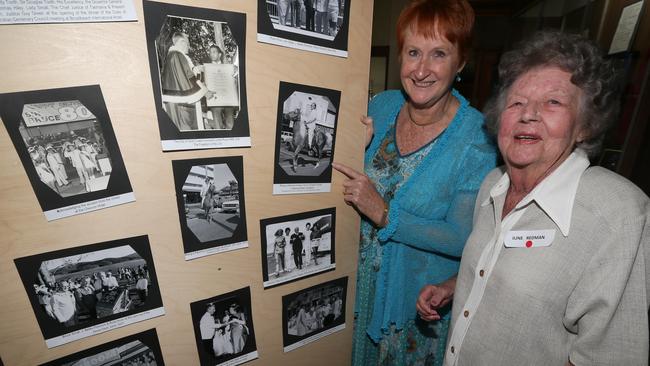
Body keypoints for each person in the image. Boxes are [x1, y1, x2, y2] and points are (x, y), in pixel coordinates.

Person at [418, 30, 650, 366]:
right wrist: (453, 286)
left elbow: (613, 355)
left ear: (585, 125)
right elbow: (504, 268)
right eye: (516, 102)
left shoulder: (619, 214)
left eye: (553, 102)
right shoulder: (492, 184)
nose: (529, 114)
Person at [331, 1, 497, 365]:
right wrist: (351, 147)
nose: (421, 70)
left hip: (411, 307)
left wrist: (387, 214)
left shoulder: (477, 138)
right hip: (354, 289)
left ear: (461, 64)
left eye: (438, 54)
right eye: (413, 53)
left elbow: (461, 238)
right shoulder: (382, 106)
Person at [160, 32, 211, 131]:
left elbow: (183, 74)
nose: (189, 46)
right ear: (182, 42)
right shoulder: (178, 55)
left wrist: (196, 69)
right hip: (181, 104)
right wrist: (205, 92)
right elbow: (188, 77)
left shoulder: (172, 55)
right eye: (187, 43)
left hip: (175, 102)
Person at [203, 45, 237, 130]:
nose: (211, 54)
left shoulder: (228, 68)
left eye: (214, 52)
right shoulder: (207, 69)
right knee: (218, 126)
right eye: (210, 52)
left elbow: (233, 83)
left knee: (230, 124)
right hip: (215, 100)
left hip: (227, 100)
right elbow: (204, 84)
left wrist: (234, 75)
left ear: (219, 54)